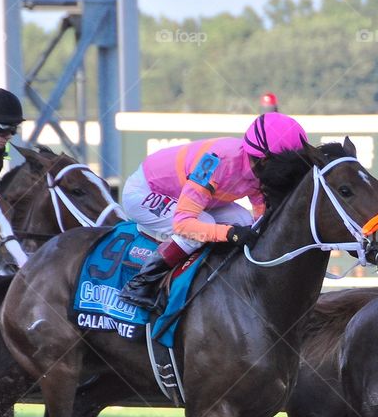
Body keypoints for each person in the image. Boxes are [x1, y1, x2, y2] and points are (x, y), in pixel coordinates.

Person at [119, 112, 308, 310]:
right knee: (205, 225)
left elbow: (259, 210)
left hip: (197, 198)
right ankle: (141, 283)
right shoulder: (215, 161)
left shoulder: (260, 169)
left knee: (244, 220)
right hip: (145, 192)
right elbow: (183, 223)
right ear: (264, 160)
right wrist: (230, 234)